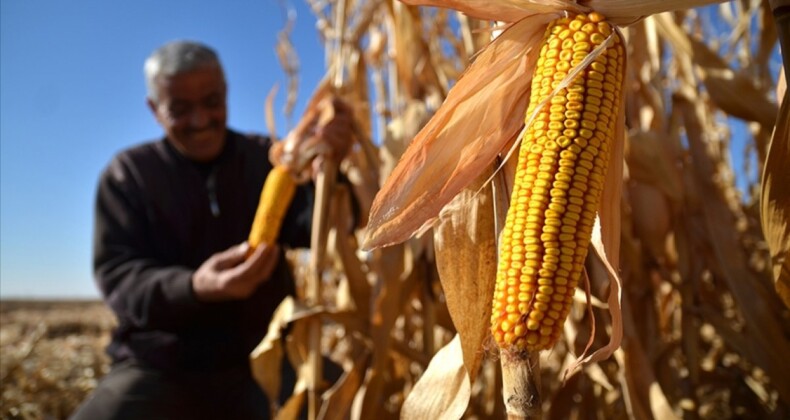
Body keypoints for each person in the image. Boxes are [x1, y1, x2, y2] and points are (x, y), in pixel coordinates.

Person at [71, 40, 354, 420]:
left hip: (265, 354)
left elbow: (327, 227)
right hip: (162, 363)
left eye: (212, 102)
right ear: (155, 110)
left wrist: (331, 175)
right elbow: (119, 277)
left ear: (226, 93)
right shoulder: (129, 175)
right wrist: (196, 287)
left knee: (345, 405)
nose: (201, 119)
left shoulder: (264, 159)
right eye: (181, 109)